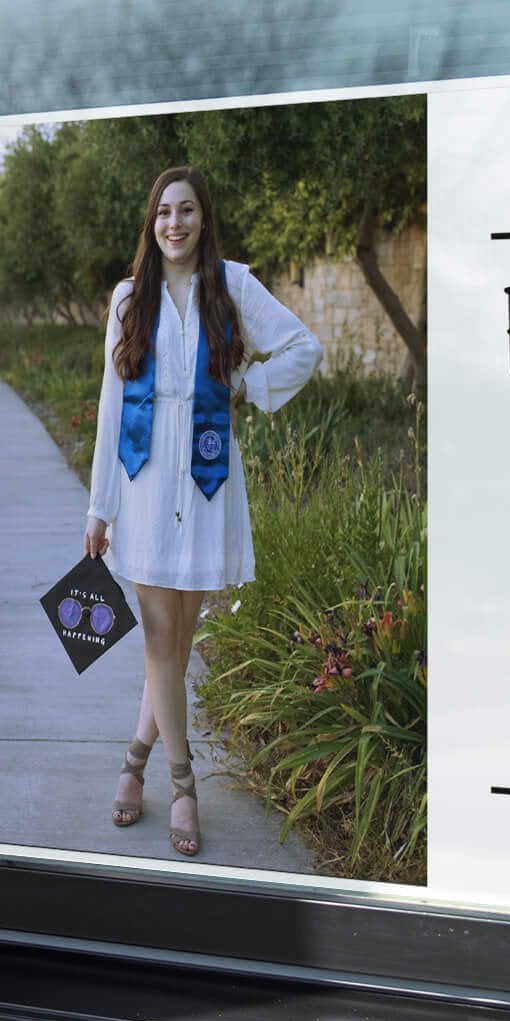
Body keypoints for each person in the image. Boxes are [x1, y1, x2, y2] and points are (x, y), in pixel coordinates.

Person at [83, 165, 321, 856]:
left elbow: (304, 347)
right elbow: (109, 406)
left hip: (208, 482)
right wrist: (100, 507)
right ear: (151, 222)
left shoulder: (233, 285)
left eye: (186, 210)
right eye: (164, 212)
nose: (174, 223)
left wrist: (248, 385)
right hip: (145, 482)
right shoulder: (130, 298)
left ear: (203, 218)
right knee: (161, 639)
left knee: (177, 644)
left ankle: (133, 762)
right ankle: (184, 784)